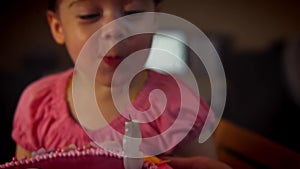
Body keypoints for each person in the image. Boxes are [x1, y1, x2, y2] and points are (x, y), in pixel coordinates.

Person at [11, 0, 230, 168]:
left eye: (133, 13)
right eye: (89, 15)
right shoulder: (38, 103)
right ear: (58, 27)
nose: (114, 29)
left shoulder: (178, 106)